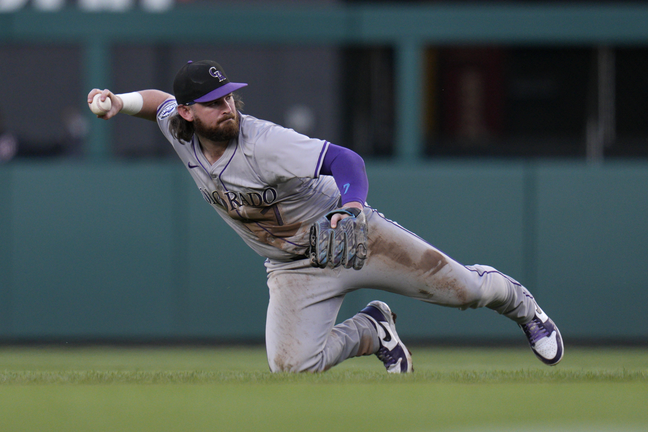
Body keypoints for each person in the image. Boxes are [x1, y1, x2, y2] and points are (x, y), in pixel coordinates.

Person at [86, 60, 564, 373]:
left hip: (353, 237)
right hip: (293, 267)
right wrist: (119, 103)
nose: (227, 107)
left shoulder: (264, 143)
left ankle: (522, 306)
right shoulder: (179, 128)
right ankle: (373, 329)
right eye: (213, 103)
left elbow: (346, 161)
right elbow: (158, 103)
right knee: (292, 368)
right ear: (189, 113)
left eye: (229, 96)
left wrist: (352, 206)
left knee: (467, 292)